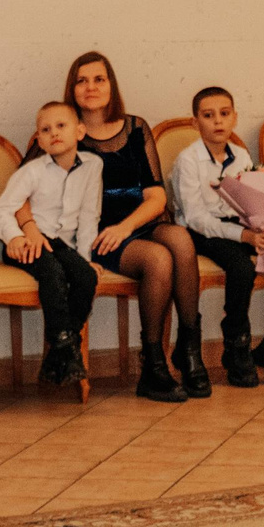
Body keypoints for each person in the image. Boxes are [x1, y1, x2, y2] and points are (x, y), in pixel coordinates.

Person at [67, 52, 204, 402]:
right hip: (97, 233)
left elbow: (156, 196)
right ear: (72, 89)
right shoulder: (64, 131)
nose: (91, 87)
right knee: (158, 259)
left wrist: (126, 227)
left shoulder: (136, 127)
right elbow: (26, 185)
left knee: (181, 240)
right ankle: (153, 365)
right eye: (82, 80)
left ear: (111, 85)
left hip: (136, 223)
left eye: (99, 79)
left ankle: (189, 348)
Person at [168, 85, 264, 386]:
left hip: (244, 227)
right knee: (241, 267)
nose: (218, 121)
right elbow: (196, 217)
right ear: (195, 123)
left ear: (235, 117)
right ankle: (236, 346)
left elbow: (253, 202)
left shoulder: (240, 154)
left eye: (224, 114)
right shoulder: (188, 160)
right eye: (208, 116)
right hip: (202, 233)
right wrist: (245, 237)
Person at [0, 101, 102, 387]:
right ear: (39, 140)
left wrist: (85, 256)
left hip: (60, 244)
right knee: (52, 273)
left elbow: (90, 215)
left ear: (80, 131)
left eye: (61, 126)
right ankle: (65, 345)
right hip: (25, 243)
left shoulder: (93, 166)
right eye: (46, 129)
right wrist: (16, 237)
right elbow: (1, 210)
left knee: (86, 276)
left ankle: (60, 351)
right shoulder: (31, 172)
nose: (54, 133)